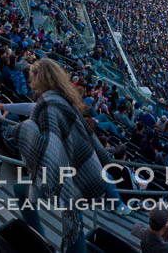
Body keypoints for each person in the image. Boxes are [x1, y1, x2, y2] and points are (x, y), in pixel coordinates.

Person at [9, 58, 111, 253]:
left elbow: (50, 147)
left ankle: (39, 241)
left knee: (71, 219)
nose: (29, 82)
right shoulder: (62, 99)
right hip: (82, 169)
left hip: (73, 174)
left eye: (32, 78)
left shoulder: (49, 105)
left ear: (42, 79)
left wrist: (21, 130)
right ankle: (40, 239)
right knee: (73, 219)